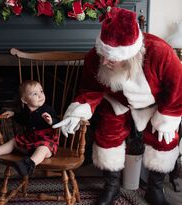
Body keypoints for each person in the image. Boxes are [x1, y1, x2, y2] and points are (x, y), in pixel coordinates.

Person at [53, 6, 182, 205]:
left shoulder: (160, 52)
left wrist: (168, 117)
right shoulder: (96, 57)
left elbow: (178, 87)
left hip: (153, 105)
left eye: (111, 59)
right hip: (116, 102)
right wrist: (78, 111)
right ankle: (111, 188)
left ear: (130, 55)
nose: (104, 62)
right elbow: (89, 89)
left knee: (166, 139)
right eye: (103, 54)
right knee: (106, 135)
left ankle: (155, 189)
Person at [0, 80, 59, 177]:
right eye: (35, 93)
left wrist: (51, 121)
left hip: (46, 141)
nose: (40, 95)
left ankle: (28, 165)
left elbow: (58, 121)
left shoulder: (47, 109)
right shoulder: (25, 112)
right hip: (30, 142)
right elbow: (22, 119)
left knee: (43, 148)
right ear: (25, 100)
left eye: (41, 91)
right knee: (15, 141)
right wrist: (13, 114)